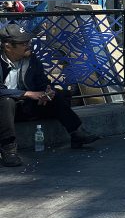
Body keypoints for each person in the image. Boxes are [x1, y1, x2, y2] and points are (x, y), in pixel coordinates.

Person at [0, 24, 100, 166]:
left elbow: (42, 81)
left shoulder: (31, 59)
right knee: (6, 101)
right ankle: (8, 150)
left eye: (29, 42)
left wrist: (47, 91)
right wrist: (27, 94)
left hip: (26, 106)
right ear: (8, 46)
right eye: (23, 43)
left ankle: (77, 133)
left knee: (58, 95)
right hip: (6, 111)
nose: (29, 45)